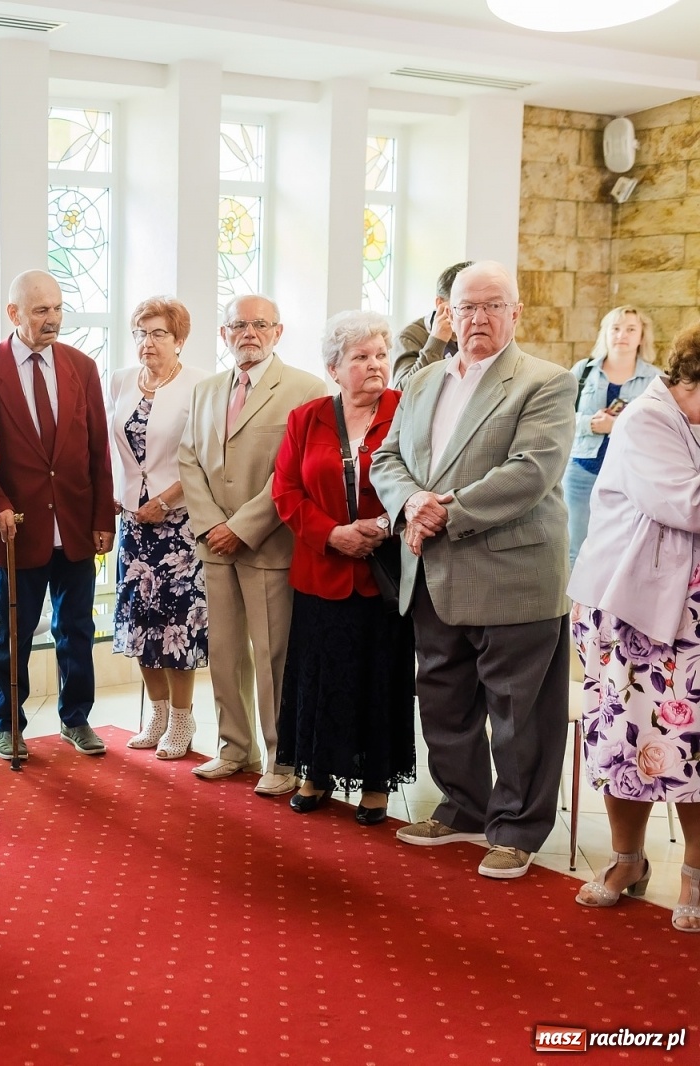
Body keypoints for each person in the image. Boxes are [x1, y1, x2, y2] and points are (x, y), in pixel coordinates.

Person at [373, 261, 576, 879]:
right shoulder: (422, 380)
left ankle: (516, 829)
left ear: (516, 313)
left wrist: (444, 512)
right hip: (432, 570)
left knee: (519, 714)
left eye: (493, 306)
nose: (478, 318)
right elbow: (386, 457)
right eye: (466, 307)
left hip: (512, 571)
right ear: (447, 314)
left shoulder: (545, 381)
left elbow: (531, 471)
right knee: (444, 700)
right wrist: (412, 502)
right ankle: (463, 806)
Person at [566, 323, 700, 931]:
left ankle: (695, 872)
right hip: (632, 608)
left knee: (693, 744)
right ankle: (627, 860)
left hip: (691, 612)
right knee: (625, 737)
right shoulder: (647, 418)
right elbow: (687, 504)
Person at [272, 311, 416, 825]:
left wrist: (381, 525)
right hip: (321, 572)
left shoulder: (407, 410)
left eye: (381, 354)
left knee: (378, 679)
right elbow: (286, 491)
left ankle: (376, 782)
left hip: (385, 574)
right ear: (334, 368)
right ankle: (316, 773)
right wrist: (332, 534)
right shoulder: (306, 418)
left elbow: (423, 478)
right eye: (361, 357)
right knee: (320, 679)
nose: (375, 364)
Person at [179, 295, 326, 796]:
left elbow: (294, 469)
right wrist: (210, 524)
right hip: (214, 545)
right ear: (224, 334)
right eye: (238, 325)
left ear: (278, 332)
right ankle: (234, 748)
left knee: (272, 656)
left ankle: (282, 758)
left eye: (260, 324)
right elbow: (188, 460)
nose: (249, 333)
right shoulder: (206, 390)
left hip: (269, 543)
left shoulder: (305, 389)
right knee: (224, 654)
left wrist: (241, 526)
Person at [0, 270, 114, 760]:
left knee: (76, 630)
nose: (52, 319)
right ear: (13, 313)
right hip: (15, 528)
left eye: (57, 308)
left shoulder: (82, 366)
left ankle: (77, 719)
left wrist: (102, 517)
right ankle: (9, 724)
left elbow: (98, 449)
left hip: (74, 524)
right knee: (12, 635)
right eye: (40, 310)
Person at [106, 296, 208, 759]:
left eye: (159, 333)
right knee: (140, 623)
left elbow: (204, 457)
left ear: (179, 339)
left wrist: (166, 501)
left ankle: (183, 718)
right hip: (134, 523)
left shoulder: (199, 384)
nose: (148, 342)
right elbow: (111, 447)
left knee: (177, 624)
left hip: (178, 527)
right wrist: (117, 494)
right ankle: (158, 714)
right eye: (141, 333)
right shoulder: (121, 380)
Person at [564, 306, 661, 569]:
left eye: (630, 329)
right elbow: (558, 417)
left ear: (642, 336)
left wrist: (616, 426)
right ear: (605, 333)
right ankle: (574, 598)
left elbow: (660, 431)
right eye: (615, 328)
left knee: (623, 549)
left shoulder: (656, 379)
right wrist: (590, 424)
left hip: (630, 476)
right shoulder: (583, 371)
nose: (622, 335)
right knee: (575, 548)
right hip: (581, 471)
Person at [391, 260, 469, 389]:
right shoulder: (409, 337)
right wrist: (436, 342)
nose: (474, 316)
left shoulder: (481, 332)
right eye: (465, 306)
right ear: (440, 304)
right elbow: (402, 393)